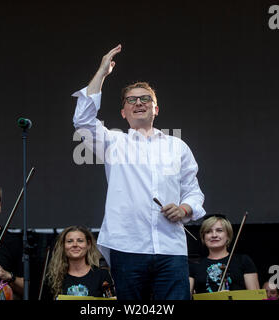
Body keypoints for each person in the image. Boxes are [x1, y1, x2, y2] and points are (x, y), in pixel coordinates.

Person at [72, 44, 205, 300]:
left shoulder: (177, 146)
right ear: (123, 112)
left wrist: (184, 209)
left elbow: (193, 191)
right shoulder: (113, 143)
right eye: (131, 100)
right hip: (127, 246)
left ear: (156, 109)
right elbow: (83, 121)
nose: (139, 103)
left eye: (146, 99)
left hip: (170, 248)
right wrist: (102, 73)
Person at [189, 215, 259, 295]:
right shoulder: (194, 265)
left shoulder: (243, 260)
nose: (214, 235)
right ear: (203, 237)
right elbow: (186, 296)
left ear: (228, 236)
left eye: (219, 230)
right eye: (208, 231)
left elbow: (255, 295)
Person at [45, 226, 114, 299]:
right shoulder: (54, 276)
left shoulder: (102, 275)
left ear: (88, 245)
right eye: (70, 241)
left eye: (80, 241)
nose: (75, 245)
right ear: (63, 246)